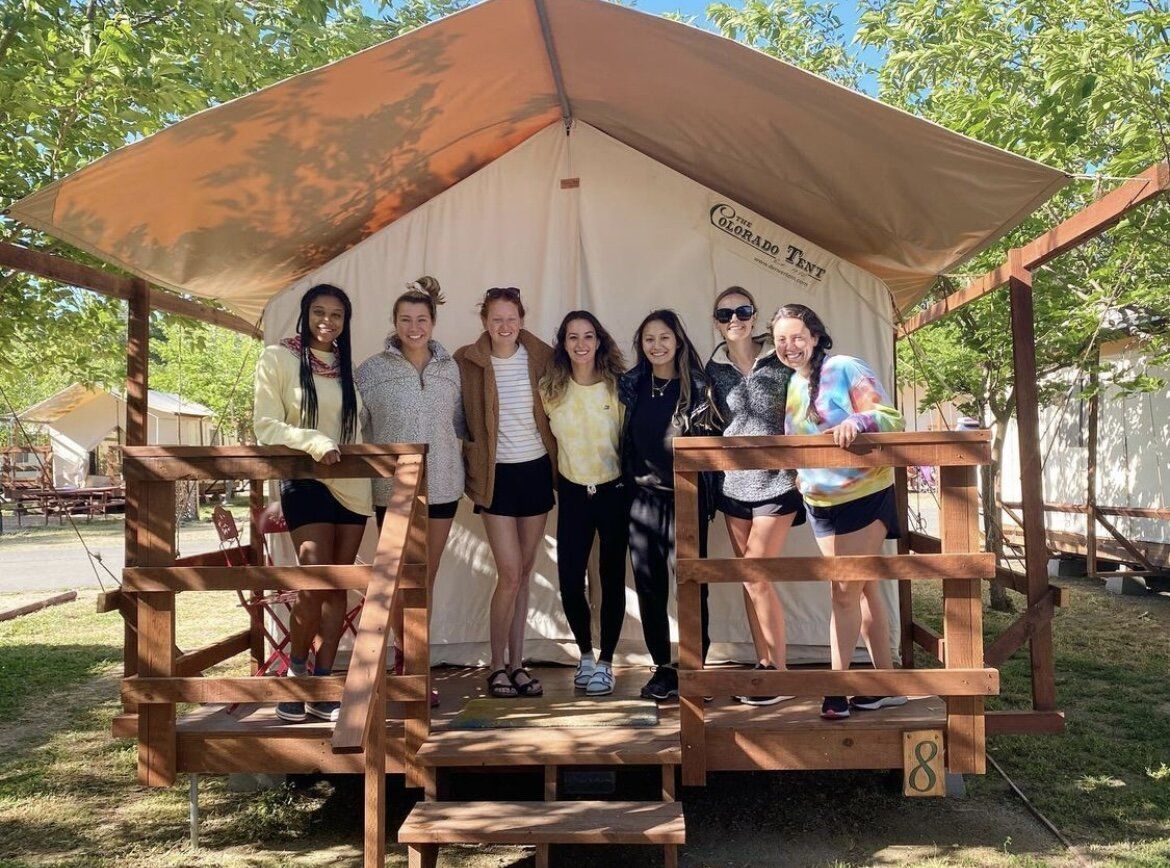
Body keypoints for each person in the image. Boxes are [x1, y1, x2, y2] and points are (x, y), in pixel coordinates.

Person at [770, 303, 906, 720]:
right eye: (780, 340)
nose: (789, 346)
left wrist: (858, 424)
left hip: (863, 495)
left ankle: (837, 686)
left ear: (814, 336)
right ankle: (887, 683)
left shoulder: (845, 367)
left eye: (796, 337)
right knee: (861, 588)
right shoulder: (794, 383)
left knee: (843, 592)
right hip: (820, 501)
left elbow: (889, 418)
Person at [253, 283, 372, 724]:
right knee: (313, 581)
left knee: (338, 585)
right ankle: (294, 673)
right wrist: (313, 441)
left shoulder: (347, 367)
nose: (328, 321)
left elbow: (355, 430)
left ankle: (323, 685)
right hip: (306, 479)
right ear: (304, 315)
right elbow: (266, 425)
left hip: (352, 485)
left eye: (337, 314)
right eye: (319, 312)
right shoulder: (278, 358)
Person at [356, 276, 464, 708]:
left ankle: (416, 666)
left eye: (422, 319)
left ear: (433, 322)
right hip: (393, 490)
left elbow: (460, 423)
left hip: (442, 485)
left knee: (426, 577)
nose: (414, 327)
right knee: (400, 579)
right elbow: (359, 429)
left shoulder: (450, 368)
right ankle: (401, 663)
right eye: (406, 319)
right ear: (394, 323)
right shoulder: (371, 370)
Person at [455, 287, 556, 699]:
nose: (504, 326)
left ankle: (518, 664)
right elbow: (457, 413)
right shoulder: (468, 361)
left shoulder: (543, 357)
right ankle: (496, 667)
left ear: (522, 318)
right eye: (496, 319)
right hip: (495, 477)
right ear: (484, 322)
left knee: (525, 573)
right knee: (510, 573)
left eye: (511, 318)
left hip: (535, 471)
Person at [705, 287, 805, 706]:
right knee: (749, 582)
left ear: (754, 314)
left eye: (742, 310)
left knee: (756, 575)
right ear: (716, 320)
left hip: (778, 483)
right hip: (733, 487)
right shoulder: (712, 370)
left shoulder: (781, 359)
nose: (734, 319)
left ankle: (778, 675)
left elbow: (805, 406)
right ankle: (764, 666)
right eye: (725, 313)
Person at [621, 309, 715, 702]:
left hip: (687, 499)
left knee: (692, 585)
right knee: (649, 586)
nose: (656, 345)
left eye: (663, 337)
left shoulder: (698, 386)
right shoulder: (632, 384)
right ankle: (662, 666)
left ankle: (694, 668)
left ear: (677, 340)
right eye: (648, 339)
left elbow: (712, 442)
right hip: (642, 499)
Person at [539, 310, 628, 696]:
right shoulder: (550, 389)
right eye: (572, 337)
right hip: (574, 492)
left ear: (599, 340)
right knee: (571, 580)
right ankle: (586, 656)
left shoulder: (618, 387)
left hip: (613, 492)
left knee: (611, 580)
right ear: (563, 343)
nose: (581, 344)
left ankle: (607, 661)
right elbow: (548, 440)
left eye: (588, 336)